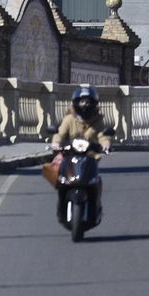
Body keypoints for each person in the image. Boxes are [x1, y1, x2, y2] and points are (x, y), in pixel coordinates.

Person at [49, 85, 113, 220]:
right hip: (70, 156)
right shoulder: (69, 119)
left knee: (95, 181)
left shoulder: (98, 121)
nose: (85, 105)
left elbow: (103, 137)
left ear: (94, 104)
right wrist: (56, 143)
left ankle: (96, 207)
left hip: (90, 157)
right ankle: (61, 206)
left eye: (88, 102)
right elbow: (60, 134)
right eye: (82, 101)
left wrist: (105, 146)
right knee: (62, 180)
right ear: (76, 102)